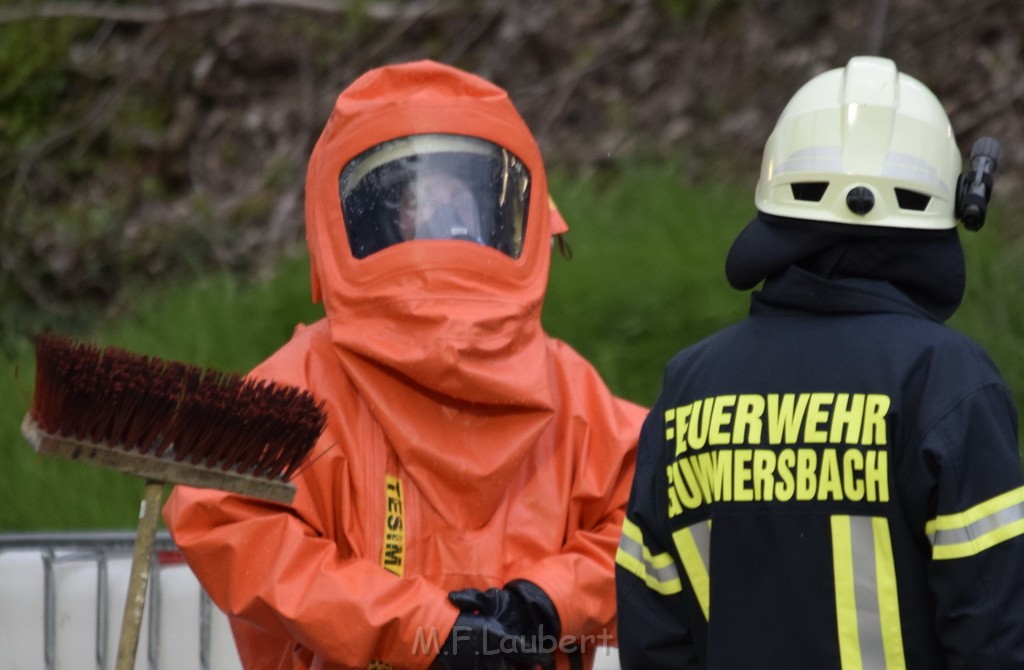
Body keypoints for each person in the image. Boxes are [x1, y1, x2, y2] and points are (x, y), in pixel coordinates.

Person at [163, 59, 646, 670]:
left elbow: (648, 509)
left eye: (459, 197)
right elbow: (223, 516)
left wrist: (543, 604)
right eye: (417, 200)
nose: (443, 225)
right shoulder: (308, 386)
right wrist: (431, 629)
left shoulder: (571, 394)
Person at [615, 55, 1024, 668]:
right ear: (948, 205)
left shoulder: (689, 388)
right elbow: (995, 638)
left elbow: (651, 636)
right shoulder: (950, 386)